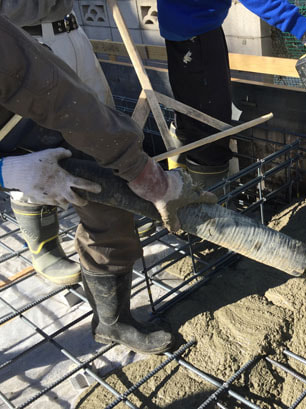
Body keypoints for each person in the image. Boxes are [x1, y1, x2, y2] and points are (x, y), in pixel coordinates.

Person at [0, 15, 217, 354]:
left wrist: (144, 174)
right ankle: (45, 248)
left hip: (18, 106)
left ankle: (112, 322)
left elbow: (60, 97)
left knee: (107, 198)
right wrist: (6, 172)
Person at [157, 0, 306, 188]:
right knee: (208, 132)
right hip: (195, 30)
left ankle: (180, 194)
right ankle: (209, 206)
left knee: (190, 117)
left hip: (183, 24)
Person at [0, 1, 114, 286]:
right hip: (22, 39)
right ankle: (45, 246)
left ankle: (111, 219)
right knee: (33, 148)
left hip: (73, 34)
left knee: (103, 127)